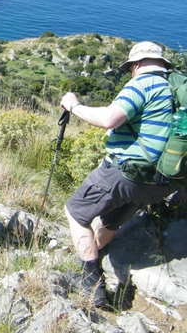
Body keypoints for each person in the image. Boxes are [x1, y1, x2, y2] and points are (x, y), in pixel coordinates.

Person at [59, 41, 180, 307]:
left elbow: (110, 119)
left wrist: (74, 106)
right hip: (165, 179)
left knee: (76, 211)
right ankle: (95, 254)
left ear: (135, 65)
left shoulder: (142, 84)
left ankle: (91, 284)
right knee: (114, 215)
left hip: (128, 171)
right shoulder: (177, 89)